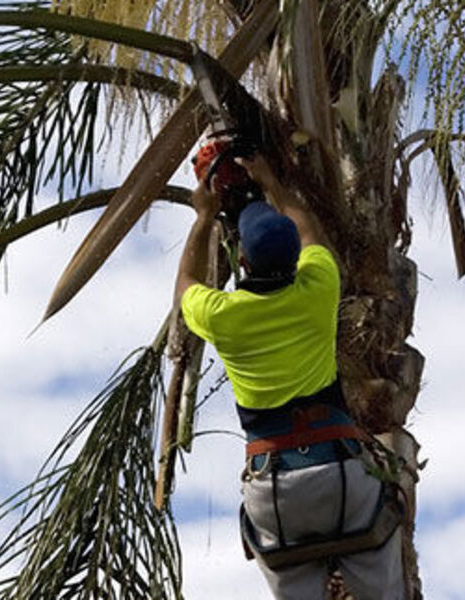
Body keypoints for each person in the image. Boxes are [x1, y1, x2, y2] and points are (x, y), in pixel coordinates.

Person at [174, 153, 405, 600]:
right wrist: (274, 183)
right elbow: (308, 230)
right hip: (341, 475)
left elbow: (186, 282)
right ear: (296, 258)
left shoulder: (223, 317)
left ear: (241, 258)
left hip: (275, 490)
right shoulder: (319, 288)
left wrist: (203, 218)